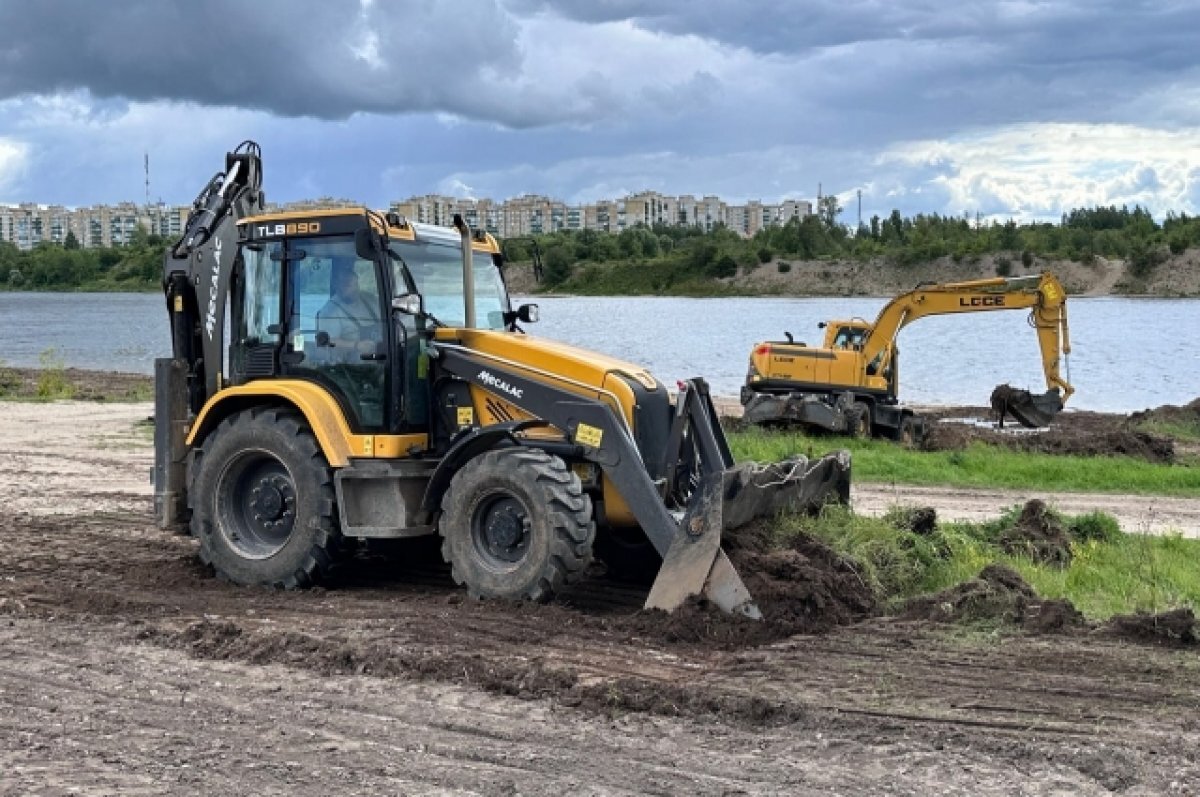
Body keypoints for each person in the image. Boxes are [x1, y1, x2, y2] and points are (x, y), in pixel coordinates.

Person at [317, 258, 381, 357]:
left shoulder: (370, 299)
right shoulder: (329, 311)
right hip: (350, 365)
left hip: (381, 356)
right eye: (345, 284)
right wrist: (356, 345)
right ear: (336, 285)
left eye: (354, 284)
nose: (351, 289)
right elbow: (328, 342)